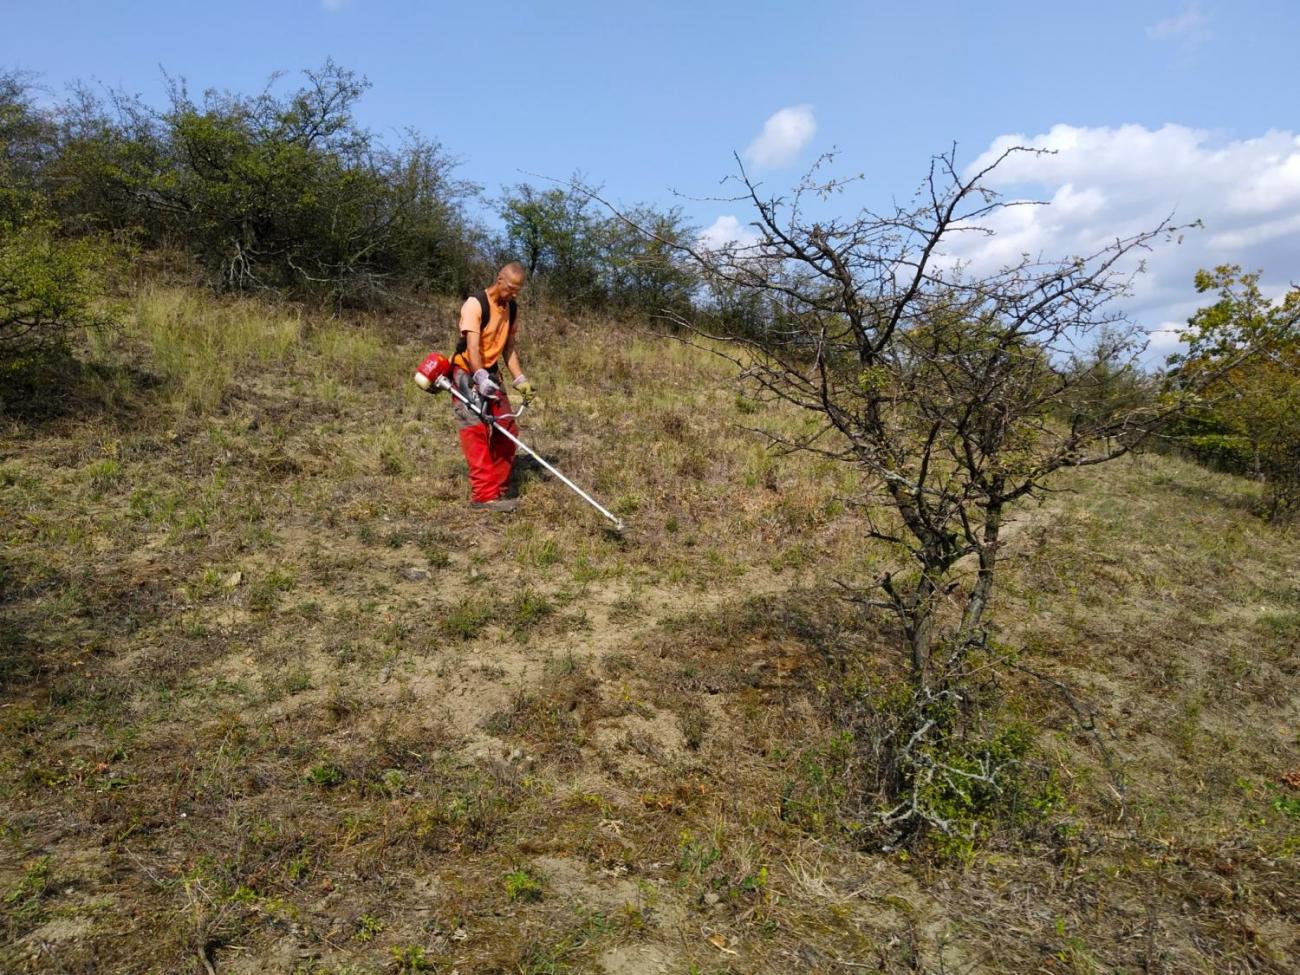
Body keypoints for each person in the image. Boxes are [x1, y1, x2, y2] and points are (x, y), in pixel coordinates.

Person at [450, 262, 536, 511]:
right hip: (466, 373)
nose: (514, 294)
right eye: (511, 288)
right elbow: (472, 347)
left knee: (507, 430)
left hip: (491, 373)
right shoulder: (475, 304)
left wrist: (520, 379)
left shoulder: (512, 308)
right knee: (475, 432)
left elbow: (508, 348)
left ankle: (497, 492)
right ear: (499, 280)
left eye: (518, 290)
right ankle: (483, 496)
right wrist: (479, 376)